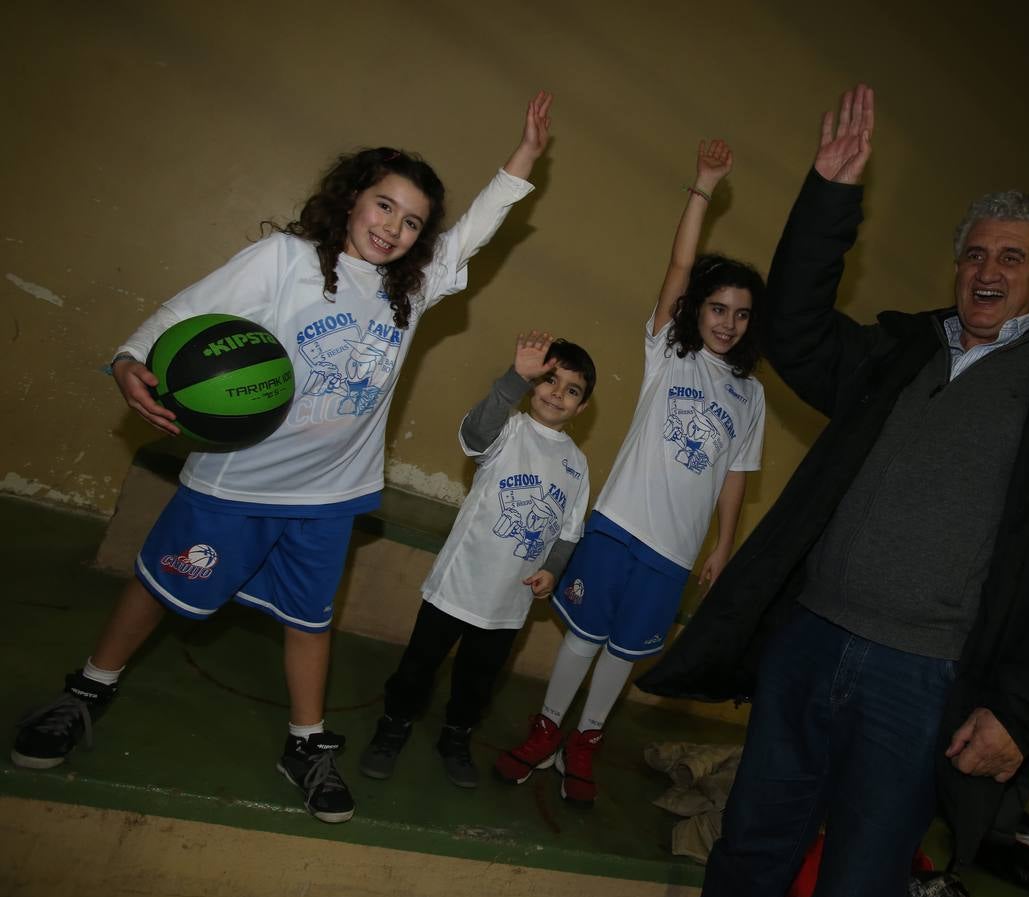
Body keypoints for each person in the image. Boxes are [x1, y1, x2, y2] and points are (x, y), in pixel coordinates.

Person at [637, 85, 1029, 897]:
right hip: (810, 642)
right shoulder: (902, 351)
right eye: (975, 255)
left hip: (927, 684)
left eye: (1011, 258)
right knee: (748, 851)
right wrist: (830, 197)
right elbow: (800, 334)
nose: (987, 271)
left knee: (861, 881)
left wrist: (1023, 710)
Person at [10, 91, 556, 825]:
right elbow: (187, 310)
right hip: (237, 483)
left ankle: (305, 743)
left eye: (414, 220)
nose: (396, 227)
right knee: (160, 586)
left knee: (309, 618)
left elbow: (475, 233)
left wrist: (523, 159)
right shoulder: (287, 260)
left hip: (330, 496)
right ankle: (87, 690)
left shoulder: (411, 289)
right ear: (352, 199)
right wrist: (129, 358)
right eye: (385, 206)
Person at [494, 139, 768, 807]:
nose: (727, 322)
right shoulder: (669, 356)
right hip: (618, 528)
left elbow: (735, 475)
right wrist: (703, 186)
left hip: (672, 553)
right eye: (716, 307)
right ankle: (548, 728)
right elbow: (678, 265)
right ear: (698, 310)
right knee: (583, 641)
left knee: (622, 653)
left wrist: (723, 544)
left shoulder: (750, 395)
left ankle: (585, 741)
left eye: (741, 313)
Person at [357, 330, 594, 790]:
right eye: (549, 380)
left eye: (572, 390)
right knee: (417, 668)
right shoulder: (510, 428)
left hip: (509, 605)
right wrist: (512, 380)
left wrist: (553, 570)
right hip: (456, 587)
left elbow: (568, 532)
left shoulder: (578, 465)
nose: (557, 394)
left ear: (582, 408)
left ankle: (456, 737)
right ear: (533, 384)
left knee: (478, 682)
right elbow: (475, 433)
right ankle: (393, 728)